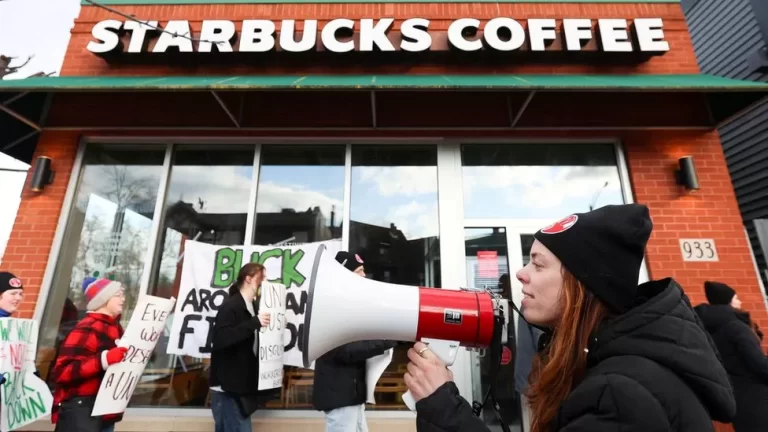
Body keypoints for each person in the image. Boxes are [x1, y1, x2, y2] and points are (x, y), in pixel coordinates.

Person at [403, 204, 736, 432]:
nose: (520, 273)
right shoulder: (611, 367)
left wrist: (443, 408)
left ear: (581, 284)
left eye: (538, 263)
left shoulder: (618, 395)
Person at [312, 251, 399, 432]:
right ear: (344, 274)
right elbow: (345, 351)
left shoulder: (343, 302)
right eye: (359, 270)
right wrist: (384, 340)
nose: (364, 275)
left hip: (350, 395)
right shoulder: (331, 305)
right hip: (340, 396)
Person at [50, 277, 127, 432]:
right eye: (118, 295)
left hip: (104, 408)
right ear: (104, 299)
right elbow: (63, 372)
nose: (123, 299)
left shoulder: (116, 328)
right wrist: (104, 359)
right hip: (83, 408)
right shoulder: (87, 327)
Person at [694, 281, 768, 431]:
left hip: (736, 401)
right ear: (728, 302)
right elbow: (759, 365)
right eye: (736, 298)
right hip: (758, 398)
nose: (740, 302)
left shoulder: (708, 331)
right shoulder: (737, 328)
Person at [209, 263, 271, 432]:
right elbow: (221, 339)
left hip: (240, 385)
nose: (264, 281)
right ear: (248, 279)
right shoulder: (231, 306)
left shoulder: (254, 307)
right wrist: (254, 323)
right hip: (228, 387)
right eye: (261, 277)